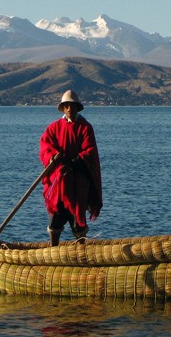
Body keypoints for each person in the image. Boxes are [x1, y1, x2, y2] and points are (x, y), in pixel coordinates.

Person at [39, 90, 103, 246]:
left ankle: (82, 252)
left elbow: (90, 151)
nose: (69, 109)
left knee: (77, 220)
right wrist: (53, 157)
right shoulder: (54, 128)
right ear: (63, 108)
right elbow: (45, 147)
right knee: (55, 218)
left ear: (77, 107)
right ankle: (53, 251)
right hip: (59, 182)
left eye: (72, 106)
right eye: (66, 106)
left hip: (77, 183)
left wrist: (73, 162)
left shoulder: (85, 127)